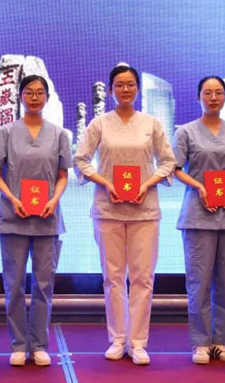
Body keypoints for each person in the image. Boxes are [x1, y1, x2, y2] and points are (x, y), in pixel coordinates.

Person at [74, 64, 176, 366]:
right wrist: (106, 183)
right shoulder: (99, 124)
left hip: (145, 210)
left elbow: (168, 162)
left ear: (138, 89)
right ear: (110, 90)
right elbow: (81, 160)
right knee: (113, 277)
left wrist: (147, 184)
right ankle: (118, 339)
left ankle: (138, 342)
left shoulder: (151, 124)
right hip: (108, 209)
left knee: (143, 277)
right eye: (119, 85)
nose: (125, 89)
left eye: (130, 84)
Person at [0, 75, 72, 367]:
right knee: (14, 285)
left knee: (44, 285)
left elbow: (63, 175)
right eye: (29, 92)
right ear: (20, 96)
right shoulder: (6, 132)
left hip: (48, 218)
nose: (34, 98)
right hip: (14, 217)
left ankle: (39, 344)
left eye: (39, 93)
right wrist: (13, 199)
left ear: (47, 97)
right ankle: (18, 344)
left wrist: (54, 200)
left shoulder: (59, 134)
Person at [173, 76, 225, 365]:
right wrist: (199, 187)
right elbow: (175, 169)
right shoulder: (185, 131)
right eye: (207, 93)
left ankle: (221, 341)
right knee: (198, 281)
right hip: (198, 214)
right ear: (198, 97)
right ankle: (200, 342)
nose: (213, 98)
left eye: (218, 93)